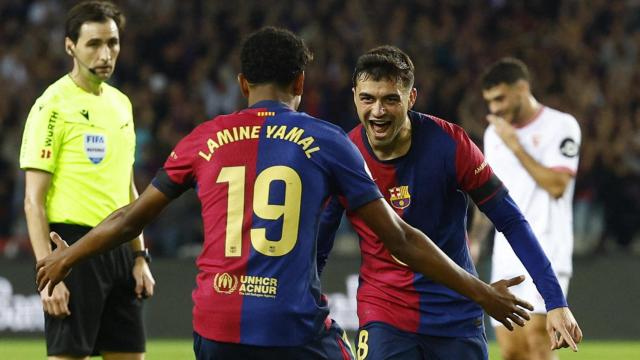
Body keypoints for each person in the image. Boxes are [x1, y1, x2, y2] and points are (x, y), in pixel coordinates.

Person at [36, 27, 534, 360]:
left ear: (241, 83)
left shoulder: (202, 139)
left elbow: (129, 218)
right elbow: (401, 239)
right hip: (292, 328)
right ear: (300, 80)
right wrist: (481, 293)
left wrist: (66, 260)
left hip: (214, 326)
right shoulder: (328, 141)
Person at [316, 46, 582, 360]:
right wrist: (304, 302)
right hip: (385, 314)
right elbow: (320, 238)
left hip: (456, 314)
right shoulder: (346, 155)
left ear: (411, 98)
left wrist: (555, 301)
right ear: (354, 97)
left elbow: (509, 219)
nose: (378, 111)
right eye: (367, 99)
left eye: (390, 99)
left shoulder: (451, 144)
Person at [19, 1, 155, 359]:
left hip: (121, 245)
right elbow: (33, 200)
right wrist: (49, 274)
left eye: (112, 43)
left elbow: (128, 187)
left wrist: (140, 257)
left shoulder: (121, 104)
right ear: (70, 46)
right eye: (93, 44)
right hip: (71, 248)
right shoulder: (52, 106)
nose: (105, 53)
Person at [470, 57, 582, 360]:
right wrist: (476, 240)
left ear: (522, 89)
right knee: (512, 350)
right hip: (507, 252)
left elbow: (557, 184)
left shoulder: (561, 125)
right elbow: (489, 193)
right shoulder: (494, 135)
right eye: (490, 101)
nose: (494, 109)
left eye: (500, 98)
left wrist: (516, 144)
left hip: (547, 247)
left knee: (538, 342)